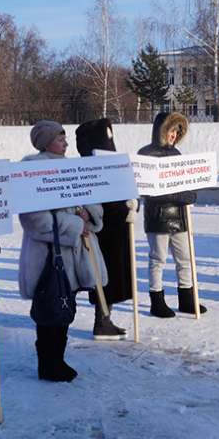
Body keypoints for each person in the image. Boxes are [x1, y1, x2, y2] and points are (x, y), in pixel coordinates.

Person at [18, 121, 108, 381]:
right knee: (50, 310)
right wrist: (76, 223)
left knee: (66, 310)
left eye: (65, 138)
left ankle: (57, 359)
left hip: (77, 255)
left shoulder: (72, 168)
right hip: (49, 257)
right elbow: (36, 220)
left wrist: (88, 214)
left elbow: (92, 204)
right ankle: (48, 363)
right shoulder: (32, 170)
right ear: (45, 142)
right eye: (60, 138)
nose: (66, 143)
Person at [138, 112, 206, 317]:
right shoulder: (146, 154)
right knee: (158, 259)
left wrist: (189, 192)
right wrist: (181, 195)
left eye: (177, 131)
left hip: (180, 215)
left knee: (184, 259)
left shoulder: (177, 154)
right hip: (158, 216)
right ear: (161, 130)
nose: (173, 135)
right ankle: (156, 301)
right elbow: (148, 189)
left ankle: (186, 299)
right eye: (171, 130)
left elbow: (185, 184)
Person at [76, 118, 131, 339]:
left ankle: (106, 318)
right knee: (102, 276)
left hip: (115, 227)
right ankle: (101, 321)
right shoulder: (89, 166)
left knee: (112, 276)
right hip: (101, 231)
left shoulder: (110, 162)